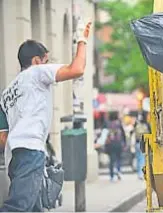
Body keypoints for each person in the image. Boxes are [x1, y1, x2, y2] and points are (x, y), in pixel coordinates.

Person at [0, 19, 92, 212]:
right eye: (46, 61)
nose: (47, 65)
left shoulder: (7, 93)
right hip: (30, 150)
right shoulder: (36, 72)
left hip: (15, 156)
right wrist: (82, 40)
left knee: (34, 208)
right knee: (17, 208)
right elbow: (77, 69)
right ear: (36, 61)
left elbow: (2, 136)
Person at [104, 112, 126, 182]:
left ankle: (111, 176)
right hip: (118, 144)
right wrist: (124, 143)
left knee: (111, 160)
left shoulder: (107, 124)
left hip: (110, 144)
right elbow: (123, 134)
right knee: (118, 159)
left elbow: (104, 135)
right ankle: (118, 171)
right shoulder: (119, 123)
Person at [134, 112, 150, 180]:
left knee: (138, 159)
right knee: (142, 159)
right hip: (144, 143)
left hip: (137, 143)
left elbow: (133, 131)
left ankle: (138, 174)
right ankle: (141, 174)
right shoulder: (147, 124)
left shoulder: (136, 124)